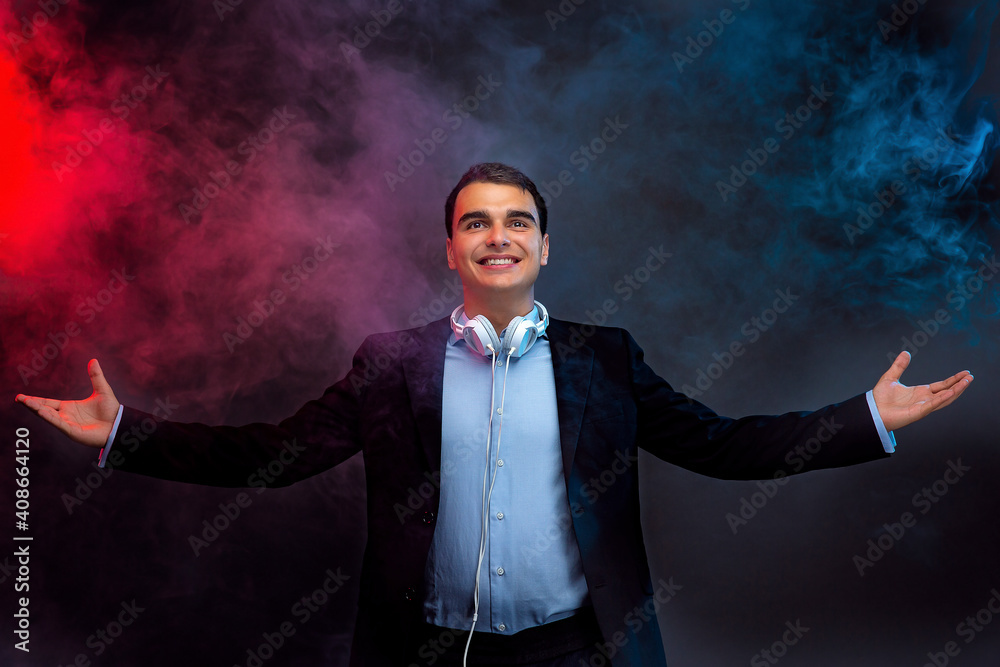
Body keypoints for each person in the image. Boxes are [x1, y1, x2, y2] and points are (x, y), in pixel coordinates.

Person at [16, 163, 973, 666]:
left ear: (545, 247)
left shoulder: (605, 356)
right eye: (477, 221)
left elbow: (721, 445)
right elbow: (278, 454)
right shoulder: (392, 364)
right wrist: (125, 433)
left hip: (576, 650)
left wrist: (865, 417)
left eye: (517, 220)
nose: (498, 235)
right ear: (451, 250)